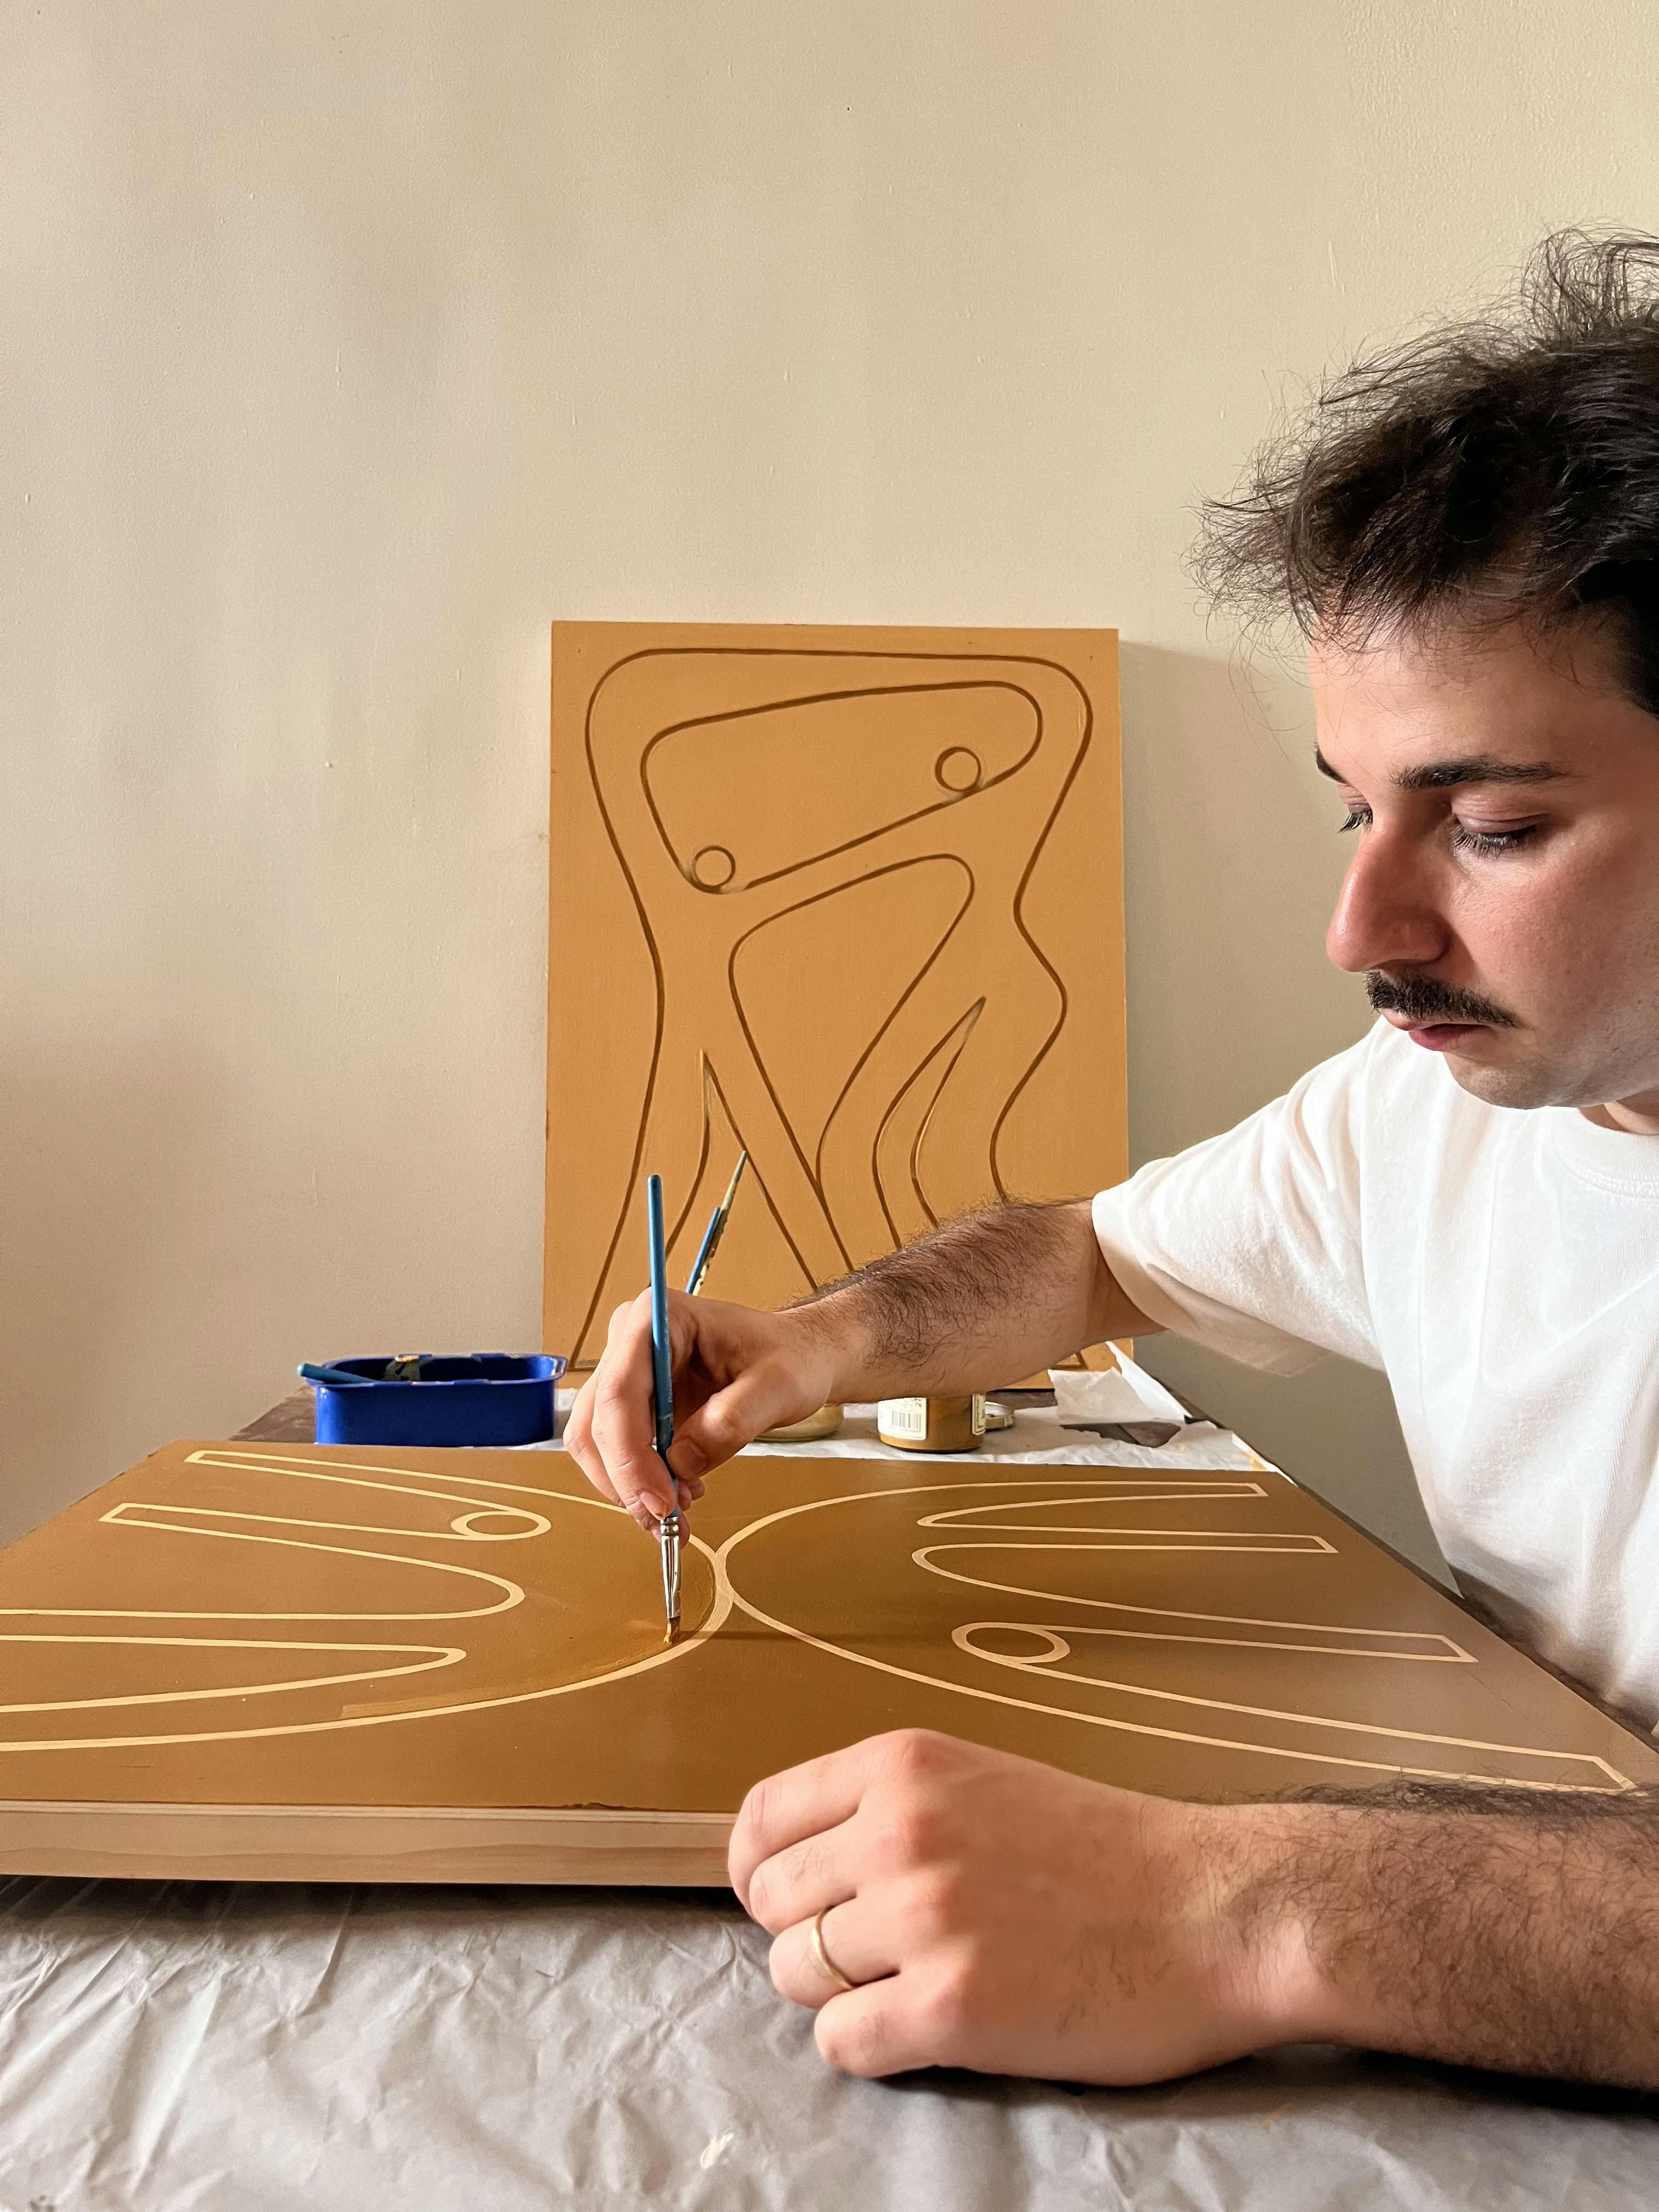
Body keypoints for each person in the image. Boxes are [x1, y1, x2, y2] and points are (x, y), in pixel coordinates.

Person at [567, 231, 1659, 2090]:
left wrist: (1234, 1902)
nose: (1358, 927)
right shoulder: (1430, 1108)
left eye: (1488, 825)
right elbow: (1097, 1254)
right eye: (1352, 808)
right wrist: (823, 1337)